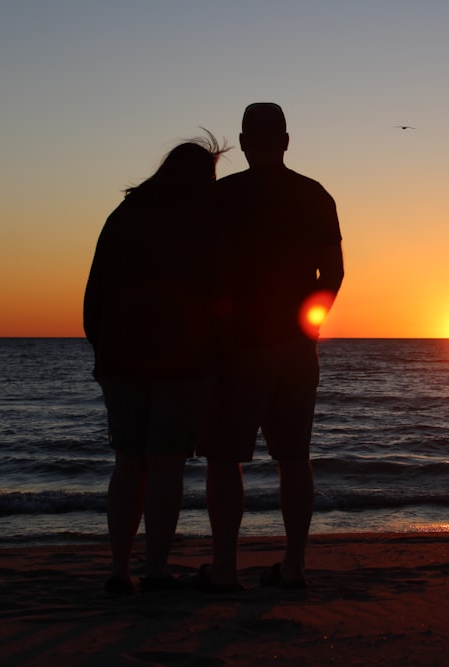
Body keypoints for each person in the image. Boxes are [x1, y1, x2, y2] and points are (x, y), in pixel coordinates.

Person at [196, 103, 344, 592]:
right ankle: (294, 565)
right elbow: (335, 272)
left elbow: (205, 275)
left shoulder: (220, 198)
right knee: (294, 457)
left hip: (239, 346)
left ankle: (223, 567)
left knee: (224, 457)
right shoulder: (313, 195)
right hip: (296, 349)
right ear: (284, 140)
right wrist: (309, 326)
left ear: (243, 142)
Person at [84, 131, 230, 594]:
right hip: (187, 361)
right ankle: (155, 570)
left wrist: (101, 351)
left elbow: (95, 295)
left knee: (129, 463)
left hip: (121, 357)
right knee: (166, 464)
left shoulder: (124, 215)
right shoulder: (206, 218)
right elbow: (222, 295)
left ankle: (119, 569)